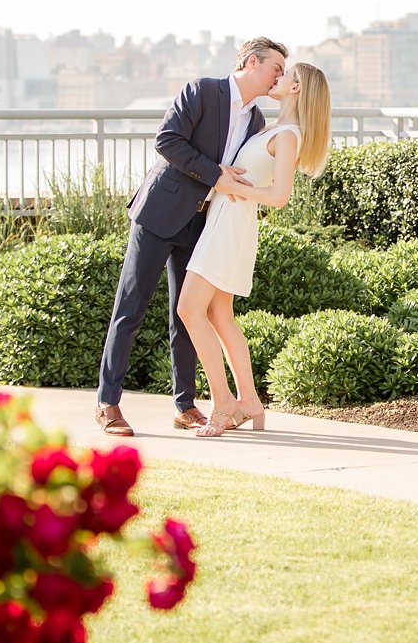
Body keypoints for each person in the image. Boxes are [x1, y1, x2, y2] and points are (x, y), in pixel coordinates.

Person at [93, 37, 288, 436]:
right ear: (252, 62)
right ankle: (107, 403)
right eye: (276, 69)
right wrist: (217, 174)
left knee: (187, 315)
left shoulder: (255, 122)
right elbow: (167, 141)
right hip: (159, 214)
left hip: (202, 225)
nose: (280, 77)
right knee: (130, 309)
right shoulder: (202, 90)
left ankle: (185, 405)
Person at [175, 62, 333, 437]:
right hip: (225, 220)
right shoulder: (272, 128)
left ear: (296, 89)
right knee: (218, 315)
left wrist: (233, 189)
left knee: (189, 309)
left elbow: (279, 196)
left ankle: (223, 402)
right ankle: (249, 400)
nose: (277, 79)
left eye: (284, 75)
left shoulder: (289, 135)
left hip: (231, 223)